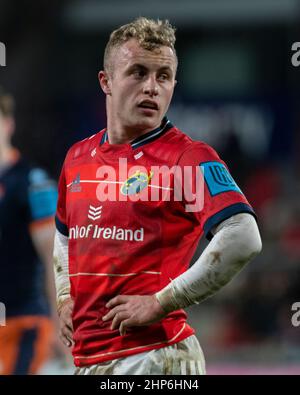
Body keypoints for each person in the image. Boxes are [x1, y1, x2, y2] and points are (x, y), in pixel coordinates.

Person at [54, 17, 262, 375]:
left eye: (163, 76)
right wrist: (63, 295)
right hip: (91, 359)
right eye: (138, 72)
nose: (152, 87)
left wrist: (161, 301)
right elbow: (64, 235)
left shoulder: (187, 157)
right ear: (106, 81)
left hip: (155, 357)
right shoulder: (77, 157)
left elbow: (243, 236)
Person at [0, 87, 62, 374]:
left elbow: (54, 258)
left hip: (23, 322)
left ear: (8, 123)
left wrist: (61, 318)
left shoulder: (33, 183)